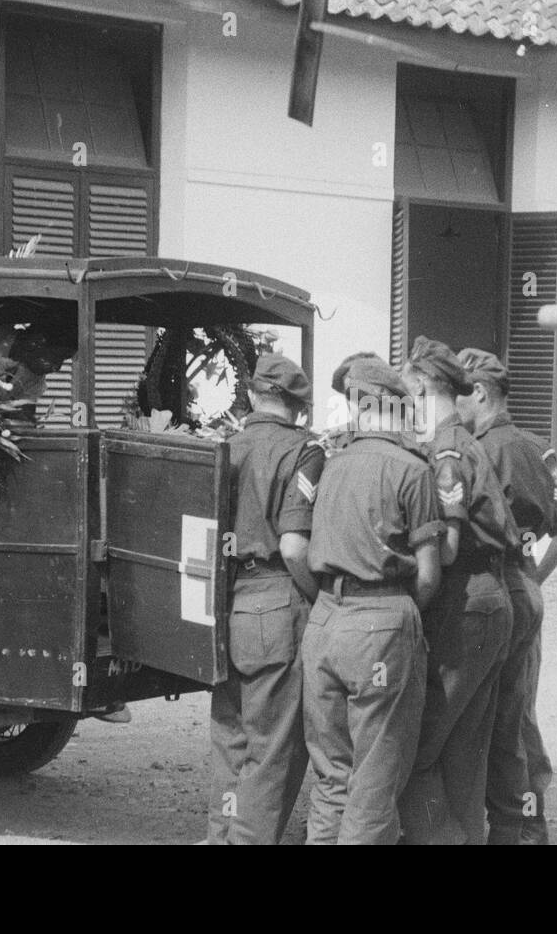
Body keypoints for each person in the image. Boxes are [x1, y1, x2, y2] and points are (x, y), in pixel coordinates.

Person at [302, 357, 444, 844]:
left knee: (330, 777)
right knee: (375, 779)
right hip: (380, 621)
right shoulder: (413, 469)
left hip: (323, 621)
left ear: (358, 406)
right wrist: (398, 618)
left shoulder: (330, 464)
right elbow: (429, 575)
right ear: (395, 406)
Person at [456, 347, 557, 845]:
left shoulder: (475, 451)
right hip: (525, 588)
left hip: (488, 587)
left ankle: (499, 826)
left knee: (480, 714)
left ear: (479, 394)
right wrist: (532, 579)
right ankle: (527, 826)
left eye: (457, 393)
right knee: (517, 711)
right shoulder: (537, 448)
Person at [396, 336, 515, 845]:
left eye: (404, 391)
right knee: (465, 751)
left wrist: (400, 563)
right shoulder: (463, 440)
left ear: (421, 384)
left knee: (415, 749)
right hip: (491, 597)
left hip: (464, 601)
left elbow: (445, 547)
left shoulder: (445, 451)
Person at [207, 353, 324, 845]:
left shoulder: (223, 448)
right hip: (278, 600)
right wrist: (319, 599)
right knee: (274, 745)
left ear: (252, 396)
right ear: (298, 406)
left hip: (226, 604)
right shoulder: (306, 451)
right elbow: (295, 544)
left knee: (231, 739)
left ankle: (221, 837)